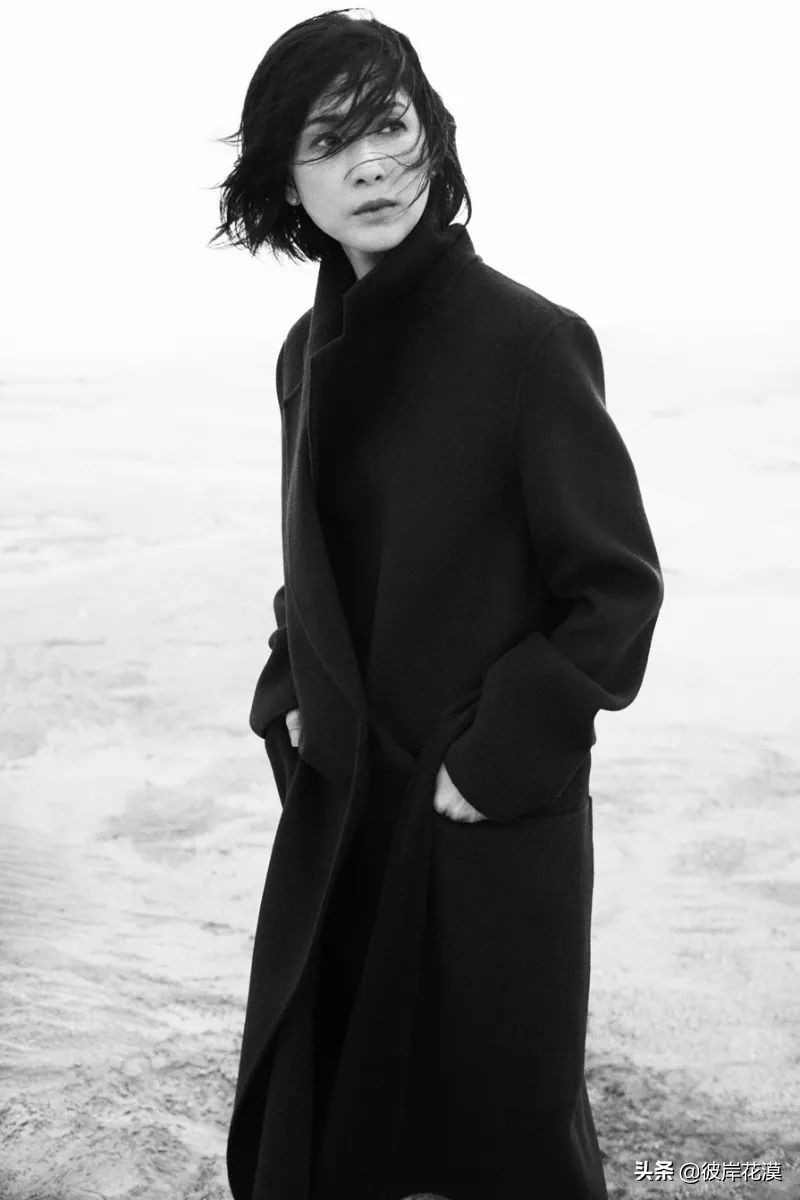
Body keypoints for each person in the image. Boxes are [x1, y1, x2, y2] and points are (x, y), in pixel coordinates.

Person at [211, 9, 665, 1200]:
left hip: (474, 814)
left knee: (499, 1143)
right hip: (345, 800)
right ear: (287, 179)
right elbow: (316, 556)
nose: (368, 164)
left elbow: (614, 586)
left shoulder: (528, 342)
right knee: (327, 1129)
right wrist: (290, 685)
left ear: (433, 140)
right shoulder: (304, 352)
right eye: (329, 141)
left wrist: (500, 755)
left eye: (389, 128)